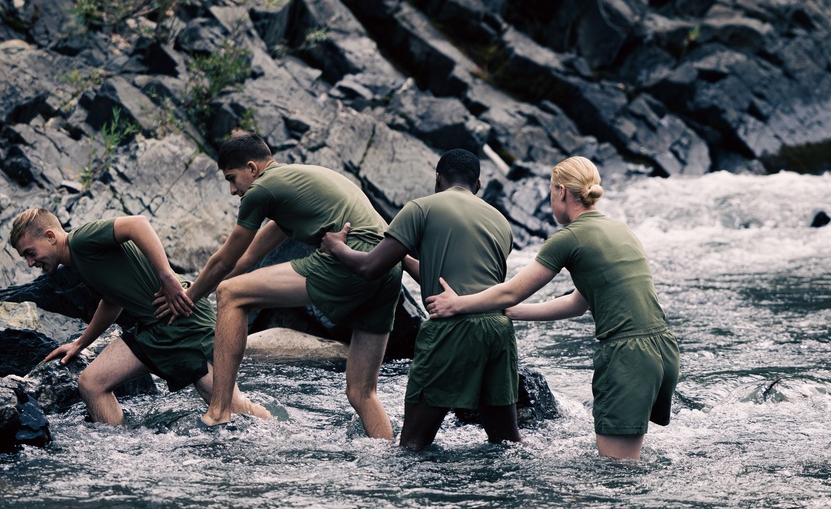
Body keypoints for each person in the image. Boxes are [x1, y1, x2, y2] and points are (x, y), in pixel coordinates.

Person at [425, 156, 680, 459]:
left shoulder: (568, 238)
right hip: (662, 351)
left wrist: (457, 304)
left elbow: (511, 290)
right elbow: (577, 302)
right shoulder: (619, 229)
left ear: (560, 191)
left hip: (628, 356)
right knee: (625, 464)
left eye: (549, 192)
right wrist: (514, 313)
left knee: (617, 475)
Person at [155, 130, 402, 438]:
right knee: (362, 392)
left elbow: (224, 261)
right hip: (387, 266)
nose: (233, 190)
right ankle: (388, 458)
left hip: (352, 257)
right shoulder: (292, 188)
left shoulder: (263, 189)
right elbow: (245, 260)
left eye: (232, 179)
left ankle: (218, 412)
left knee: (230, 294)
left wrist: (187, 298)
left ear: (252, 168)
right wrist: (202, 299)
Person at [320, 148, 521, 451]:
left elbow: (370, 268)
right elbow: (454, 281)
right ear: (477, 186)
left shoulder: (421, 208)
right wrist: (401, 257)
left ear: (437, 178)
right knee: (506, 446)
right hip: (498, 332)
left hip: (450, 331)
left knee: (412, 448)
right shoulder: (500, 221)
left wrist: (336, 247)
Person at [8, 208, 272, 425]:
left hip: (184, 320)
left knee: (232, 408)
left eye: (31, 253)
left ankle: (279, 430)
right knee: (91, 384)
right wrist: (80, 344)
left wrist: (167, 276)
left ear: (51, 236)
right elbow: (111, 302)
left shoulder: (82, 240)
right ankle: (121, 453)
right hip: (152, 330)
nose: (31, 263)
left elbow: (137, 224)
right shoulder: (78, 261)